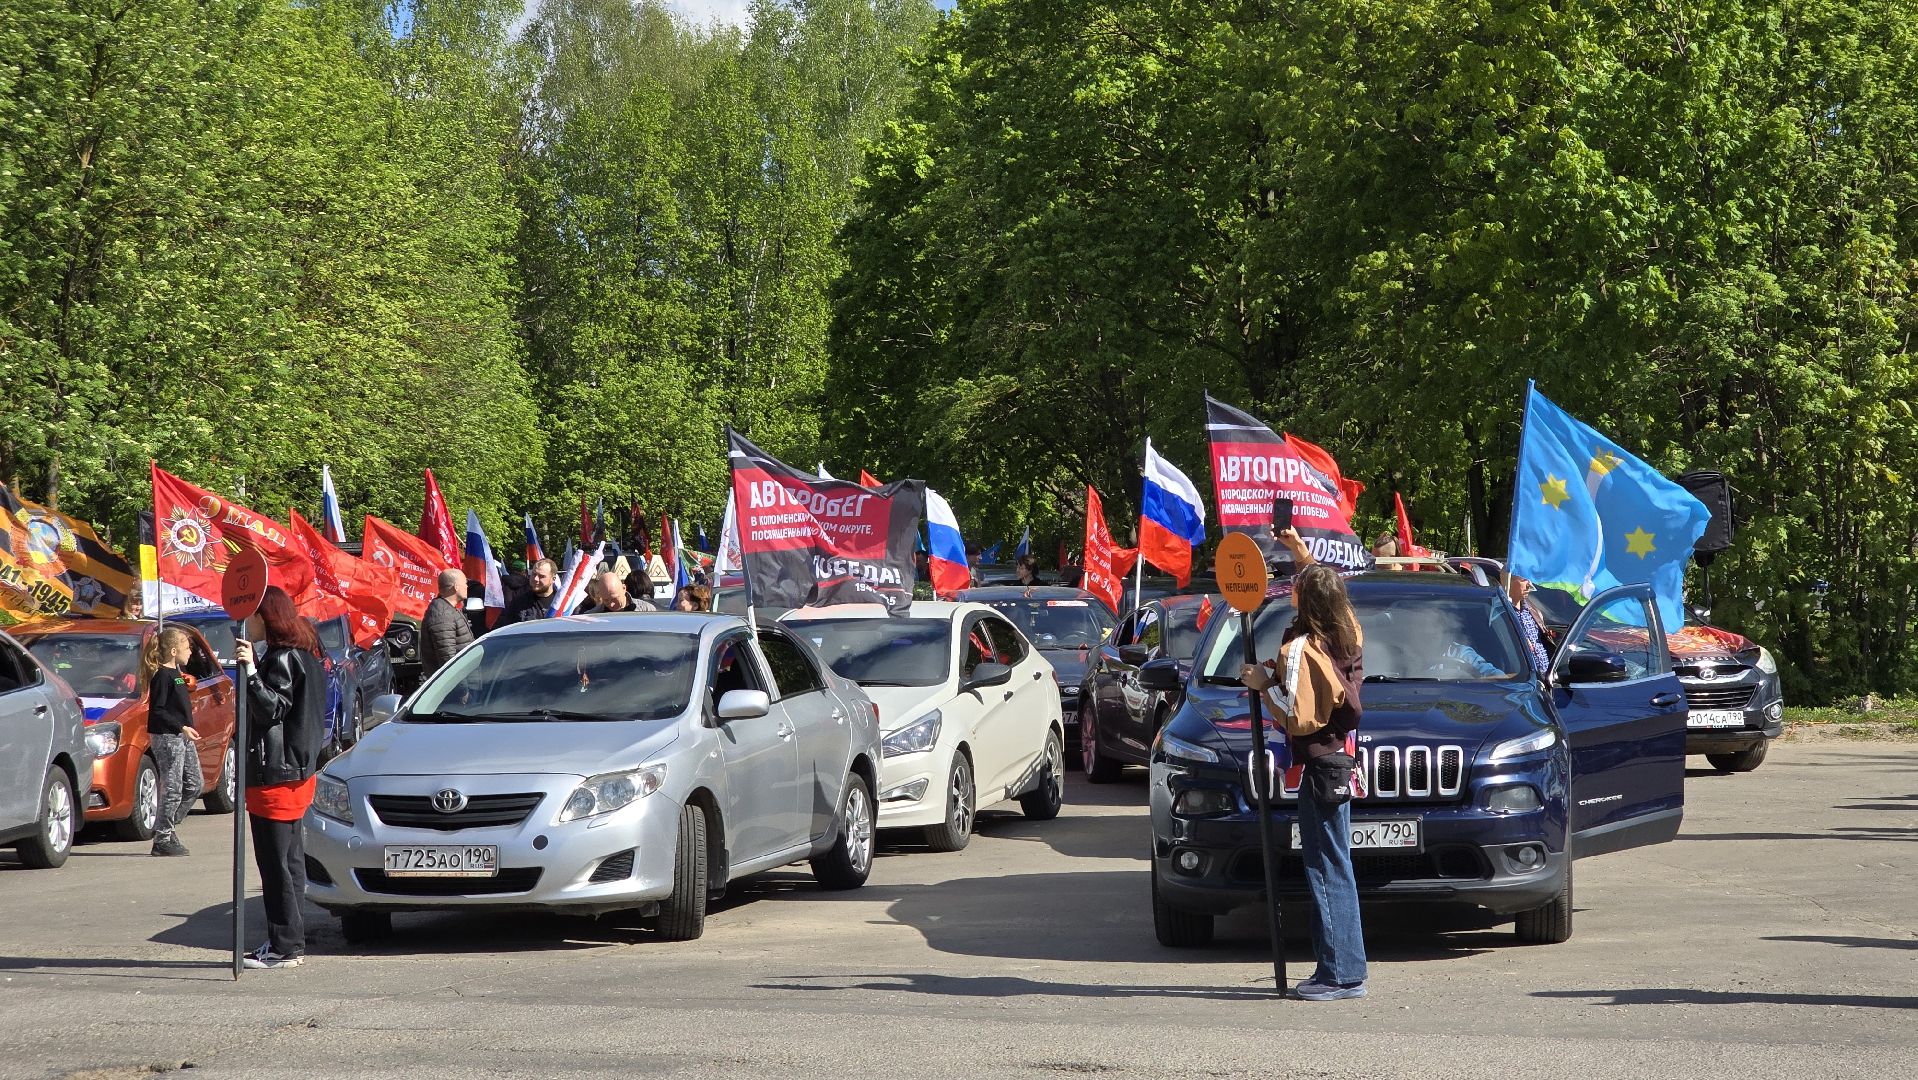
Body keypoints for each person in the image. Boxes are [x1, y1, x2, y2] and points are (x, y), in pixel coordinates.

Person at [1240, 556, 1368, 1001]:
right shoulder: (1346, 635)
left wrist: (1263, 684)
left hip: (1321, 764)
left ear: (1307, 601)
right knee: (1338, 864)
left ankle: (1340, 975)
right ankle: (1341, 970)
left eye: (1297, 587)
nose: (1290, 591)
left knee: (1325, 866)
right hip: (1342, 762)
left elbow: (1298, 715)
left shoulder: (1306, 648)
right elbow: (1329, 592)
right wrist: (1301, 553)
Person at [232, 587, 326, 970]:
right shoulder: (305, 654)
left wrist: (252, 672)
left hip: (276, 773)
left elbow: (272, 709)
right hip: (294, 771)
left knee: (276, 866)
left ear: (265, 617)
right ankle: (290, 941)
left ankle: (285, 945)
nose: (246, 623)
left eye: (252, 616)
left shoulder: (282, 658)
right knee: (289, 862)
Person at [142, 626, 202, 857]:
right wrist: (180, 727)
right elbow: (157, 711)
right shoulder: (162, 676)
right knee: (173, 788)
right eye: (187, 648)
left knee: (194, 784)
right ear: (174, 651)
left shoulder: (176, 675)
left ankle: (167, 827)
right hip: (168, 737)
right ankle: (162, 839)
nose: (190, 652)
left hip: (183, 736)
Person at [421, 568, 474, 676]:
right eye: (465, 583)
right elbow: (447, 659)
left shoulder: (448, 609)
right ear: (456, 587)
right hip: (456, 687)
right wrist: (462, 688)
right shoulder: (443, 614)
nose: (467, 586)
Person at [1507, 574, 1553, 675]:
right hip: (1522, 678)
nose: (1529, 585)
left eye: (1529, 580)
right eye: (1524, 580)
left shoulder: (1532, 610)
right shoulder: (1501, 614)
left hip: (1545, 675)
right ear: (1508, 581)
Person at [501, 558, 560, 624]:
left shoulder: (563, 603)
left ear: (553, 579)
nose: (535, 579)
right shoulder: (519, 602)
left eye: (541, 576)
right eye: (534, 574)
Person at [579, 570, 654, 614]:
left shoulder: (647, 610)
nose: (611, 604)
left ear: (624, 588)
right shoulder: (593, 616)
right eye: (606, 600)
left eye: (614, 598)